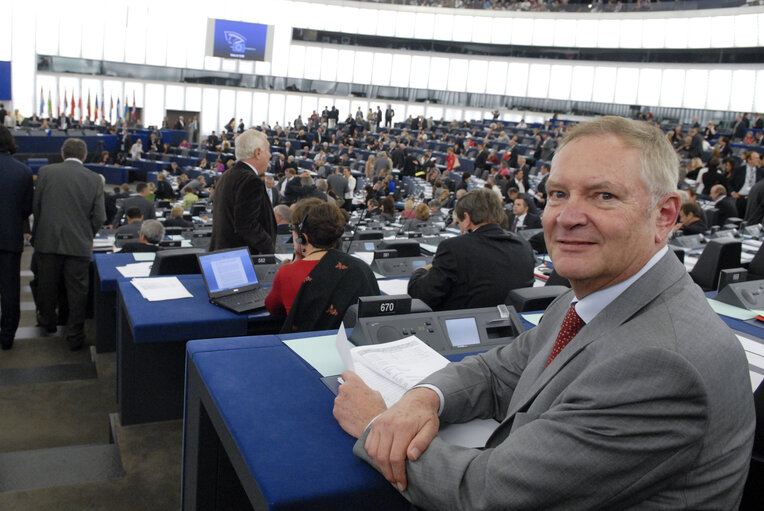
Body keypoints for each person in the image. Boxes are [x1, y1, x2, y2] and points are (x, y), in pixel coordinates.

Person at [333, 116, 754, 510]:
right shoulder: (581, 300)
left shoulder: (662, 364)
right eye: (558, 194)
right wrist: (421, 399)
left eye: (603, 195)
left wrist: (375, 424)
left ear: (664, 215)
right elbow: (497, 372)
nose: (567, 218)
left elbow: (487, 492)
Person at [407, 189, 534, 311]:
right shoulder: (523, 245)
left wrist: (422, 269)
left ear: (467, 219)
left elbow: (421, 295)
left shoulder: (453, 248)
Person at [33, 138, 106, 350]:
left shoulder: (46, 172)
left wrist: (38, 233)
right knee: (77, 292)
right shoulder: (94, 179)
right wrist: (87, 233)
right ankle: (75, 335)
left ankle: (48, 323)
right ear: (84, 156)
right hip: (79, 245)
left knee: (47, 286)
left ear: (63, 154)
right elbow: (100, 217)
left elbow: (36, 207)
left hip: (47, 242)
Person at [264, 199, 379, 332]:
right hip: (351, 345)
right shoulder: (360, 268)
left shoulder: (286, 273)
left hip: (304, 346)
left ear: (303, 237)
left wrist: (293, 266)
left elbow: (273, 308)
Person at [209, 129, 276, 254]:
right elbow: (246, 224)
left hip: (223, 253)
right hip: (243, 258)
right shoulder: (250, 180)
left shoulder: (227, 175)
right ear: (258, 153)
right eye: (268, 150)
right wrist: (268, 246)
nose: (270, 155)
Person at [0, 126, 33, 350]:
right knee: (10, 289)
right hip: (10, 239)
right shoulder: (22, 171)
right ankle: (7, 337)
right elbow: (26, 209)